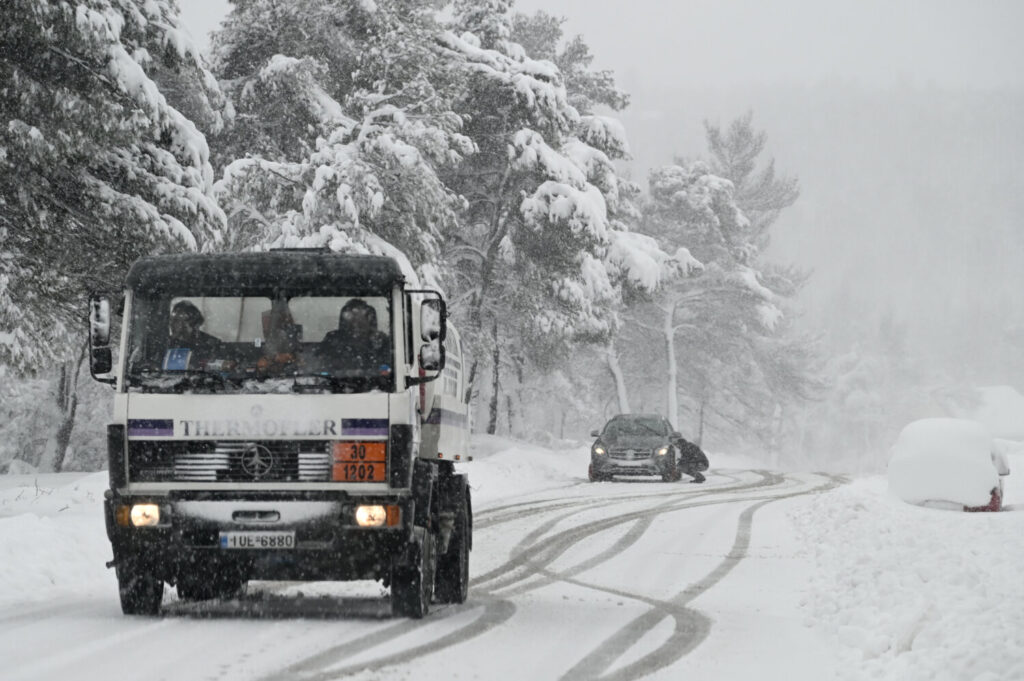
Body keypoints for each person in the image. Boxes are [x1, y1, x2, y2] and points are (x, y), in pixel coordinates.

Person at [317, 298, 390, 372]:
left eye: (360, 323)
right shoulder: (332, 339)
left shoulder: (381, 340)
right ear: (344, 322)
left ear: (370, 321)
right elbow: (321, 365)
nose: (355, 326)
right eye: (350, 322)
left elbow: (388, 369)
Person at [167, 300, 220, 366]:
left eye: (176, 321)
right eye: (171, 320)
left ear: (193, 324)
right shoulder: (166, 343)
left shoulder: (211, 344)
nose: (171, 324)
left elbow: (216, 367)